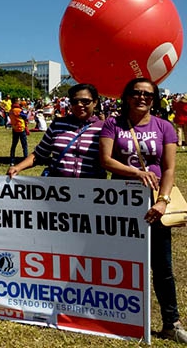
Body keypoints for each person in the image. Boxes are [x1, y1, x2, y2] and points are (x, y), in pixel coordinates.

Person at [99, 78, 187, 343]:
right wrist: (136, 172)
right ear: (126, 96)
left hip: (155, 202)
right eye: (136, 93)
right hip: (121, 201)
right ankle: (121, 317)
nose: (142, 98)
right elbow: (105, 160)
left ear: (154, 99)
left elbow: (169, 167)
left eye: (148, 95)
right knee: (121, 262)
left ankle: (172, 322)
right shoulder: (113, 124)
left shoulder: (164, 126)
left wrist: (163, 200)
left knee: (162, 266)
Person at [7, 84, 106, 179]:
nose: (79, 105)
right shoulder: (57, 125)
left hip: (92, 189)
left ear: (95, 102)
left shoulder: (104, 128)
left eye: (85, 101)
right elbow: (40, 154)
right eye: (74, 101)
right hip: (59, 189)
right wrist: (17, 167)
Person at [8, 99, 28, 166]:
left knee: (13, 145)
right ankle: (25, 159)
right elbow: (25, 117)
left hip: (14, 128)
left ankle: (12, 160)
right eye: (19, 101)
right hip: (21, 128)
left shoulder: (10, 111)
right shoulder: (18, 110)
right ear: (16, 102)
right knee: (24, 145)